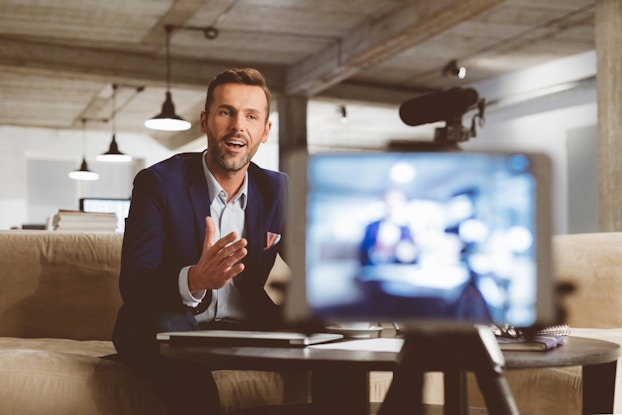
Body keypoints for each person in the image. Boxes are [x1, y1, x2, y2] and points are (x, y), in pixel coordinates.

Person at [112, 67, 288, 414]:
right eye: (226, 112)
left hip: (245, 328)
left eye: (251, 116)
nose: (238, 125)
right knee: (171, 328)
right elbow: (134, 282)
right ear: (205, 121)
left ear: (264, 131)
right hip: (167, 320)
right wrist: (194, 278)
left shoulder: (278, 189)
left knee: (333, 328)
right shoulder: (157, 183)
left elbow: (313, 262)